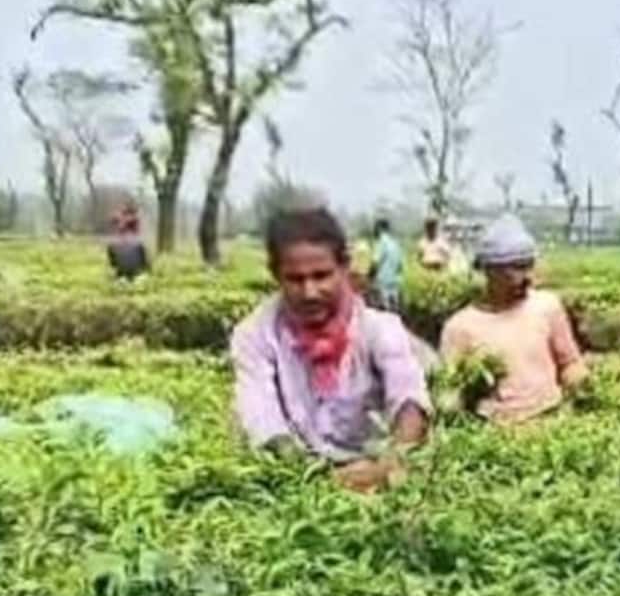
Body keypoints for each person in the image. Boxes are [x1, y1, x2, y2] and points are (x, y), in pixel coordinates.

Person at [231, 207, 432, 492]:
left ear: (344, 267)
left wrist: (391, 462)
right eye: (295, 279)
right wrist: (314, 479)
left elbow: (409, 397)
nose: (310, 292)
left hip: (376, 469)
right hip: (298, 475)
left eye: (322, 275)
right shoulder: (255, 334)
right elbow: (262, 417)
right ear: (275, 275)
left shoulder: (377, 327)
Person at [439, 214, 589, 425]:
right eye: (517, 268)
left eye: (529, 266)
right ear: (490, 270)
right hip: (493, 432)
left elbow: (570, 363)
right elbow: (450, 392)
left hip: (550, 422)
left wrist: (577, 395)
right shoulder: (460, 327)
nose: (527, 276)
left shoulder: (546, 307)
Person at [107, 205, 150, 282]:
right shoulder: (139, 243)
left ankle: (123, 279)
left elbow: (113, 265)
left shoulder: (112, 244)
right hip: (137, 277)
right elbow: (146, 266)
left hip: (121, 278)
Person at [370, 217, 405, 311]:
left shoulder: (382, 242)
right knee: (394, 313)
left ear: (380, 228)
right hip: (395, 283)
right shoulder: (395, 243)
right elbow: (400, 266)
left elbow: (375, 262)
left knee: (383, 313)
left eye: (375, 228)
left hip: (382, 283)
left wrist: (369, 276)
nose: (374, 231)